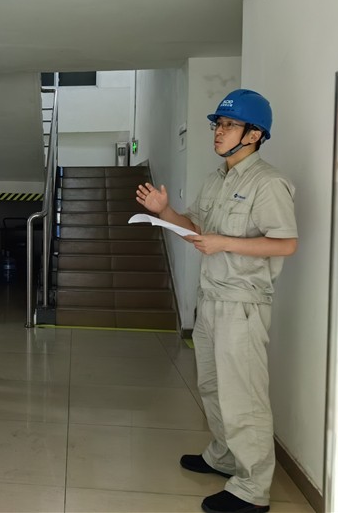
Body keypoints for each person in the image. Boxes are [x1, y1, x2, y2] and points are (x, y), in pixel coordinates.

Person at [135, 89, 298, 513]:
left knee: (243, 396)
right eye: (217, 124)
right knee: (212, 386)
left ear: (254, 134)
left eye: (228, 125)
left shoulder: (268, 183)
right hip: (210, 297)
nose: (218, 132)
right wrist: (165, 211)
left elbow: (286, 244)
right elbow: (196, 228)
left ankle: (253, 488)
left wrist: (225, 242)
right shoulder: (217, 179)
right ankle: (225, 456)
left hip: (242, 304)